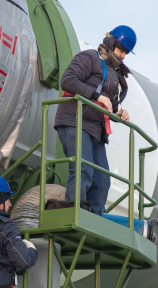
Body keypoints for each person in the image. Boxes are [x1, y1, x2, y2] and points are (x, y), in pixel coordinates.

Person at [54, 25, 136, 216]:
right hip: (75, 121)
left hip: (96, 130)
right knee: (83, 169)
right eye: (121, 50)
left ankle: (93, 218)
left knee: (102, 181)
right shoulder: (90, 57)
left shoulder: (117, 75)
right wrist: (96, 96)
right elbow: (67, 80)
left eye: (126, 53)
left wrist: (120, 112)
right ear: (111, 43)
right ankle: (74, 214)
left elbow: (109, 105)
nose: (123, 56)